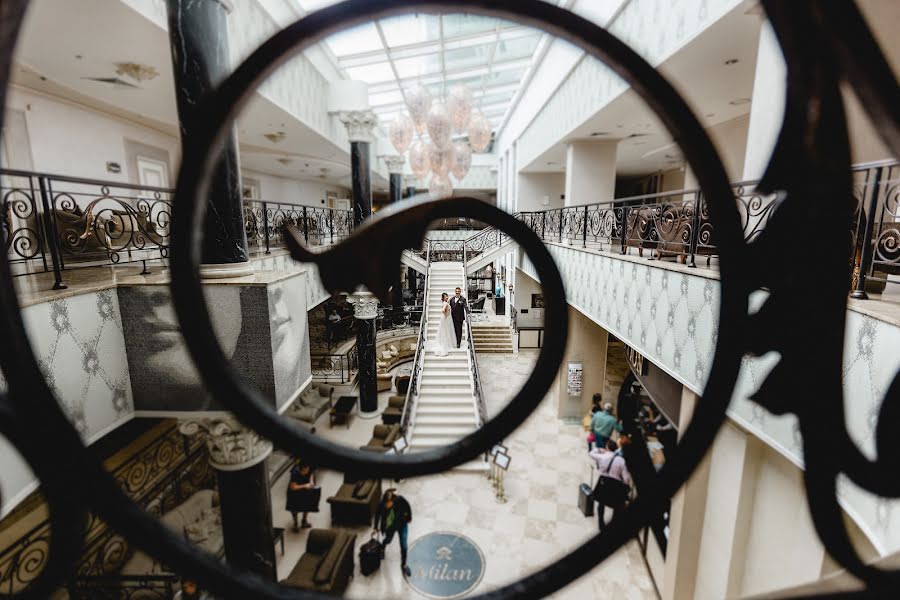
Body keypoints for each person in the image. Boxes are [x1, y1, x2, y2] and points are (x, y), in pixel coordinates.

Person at [589, 439, 632, 531]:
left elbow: (591, 453)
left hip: (604, 483)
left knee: (601, 503)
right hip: (616, 486)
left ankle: (601, 523)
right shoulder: (621, 461)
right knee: (616, 505)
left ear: (607, 447)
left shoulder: (602, 457)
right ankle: (613, 525)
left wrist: (600, 450)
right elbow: (626, 479)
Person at [374, 488, 413, 577]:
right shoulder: (381, 505)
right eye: (386, 504)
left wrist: (409, 517)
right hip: (390, 528)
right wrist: (376, 527)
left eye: (389, 503)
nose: (388, 505)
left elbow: (407, 506)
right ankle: (382, 548)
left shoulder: (399, 499)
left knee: (404, 544)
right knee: (388, 540)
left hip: (402, 524)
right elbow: (377, 514)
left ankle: (404, 564)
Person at [286, 460, 317, 531]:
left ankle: (304, 521)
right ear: (301, 469)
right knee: (294, 507)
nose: (307, 472)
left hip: (307, 485)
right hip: (295, 490)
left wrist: (311, 481)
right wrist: (305, 486)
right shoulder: (295, 472)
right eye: (305, 471)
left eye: (308, 469)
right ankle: (295, 523)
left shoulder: (310, 465)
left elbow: (312, 472)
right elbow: (293, 487)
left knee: (307, 504)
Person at [429, 292, 456, 357]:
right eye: (445, 296)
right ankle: (444, 344)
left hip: (446, 318)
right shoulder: (445, 303)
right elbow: (443, 310)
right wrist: (446, 315)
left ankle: (446, 342)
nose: (447, 297)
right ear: (443, 298)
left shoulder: (445, 302)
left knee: (446, 331)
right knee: (445, 331)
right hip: (446, 318)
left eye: (447, 296)